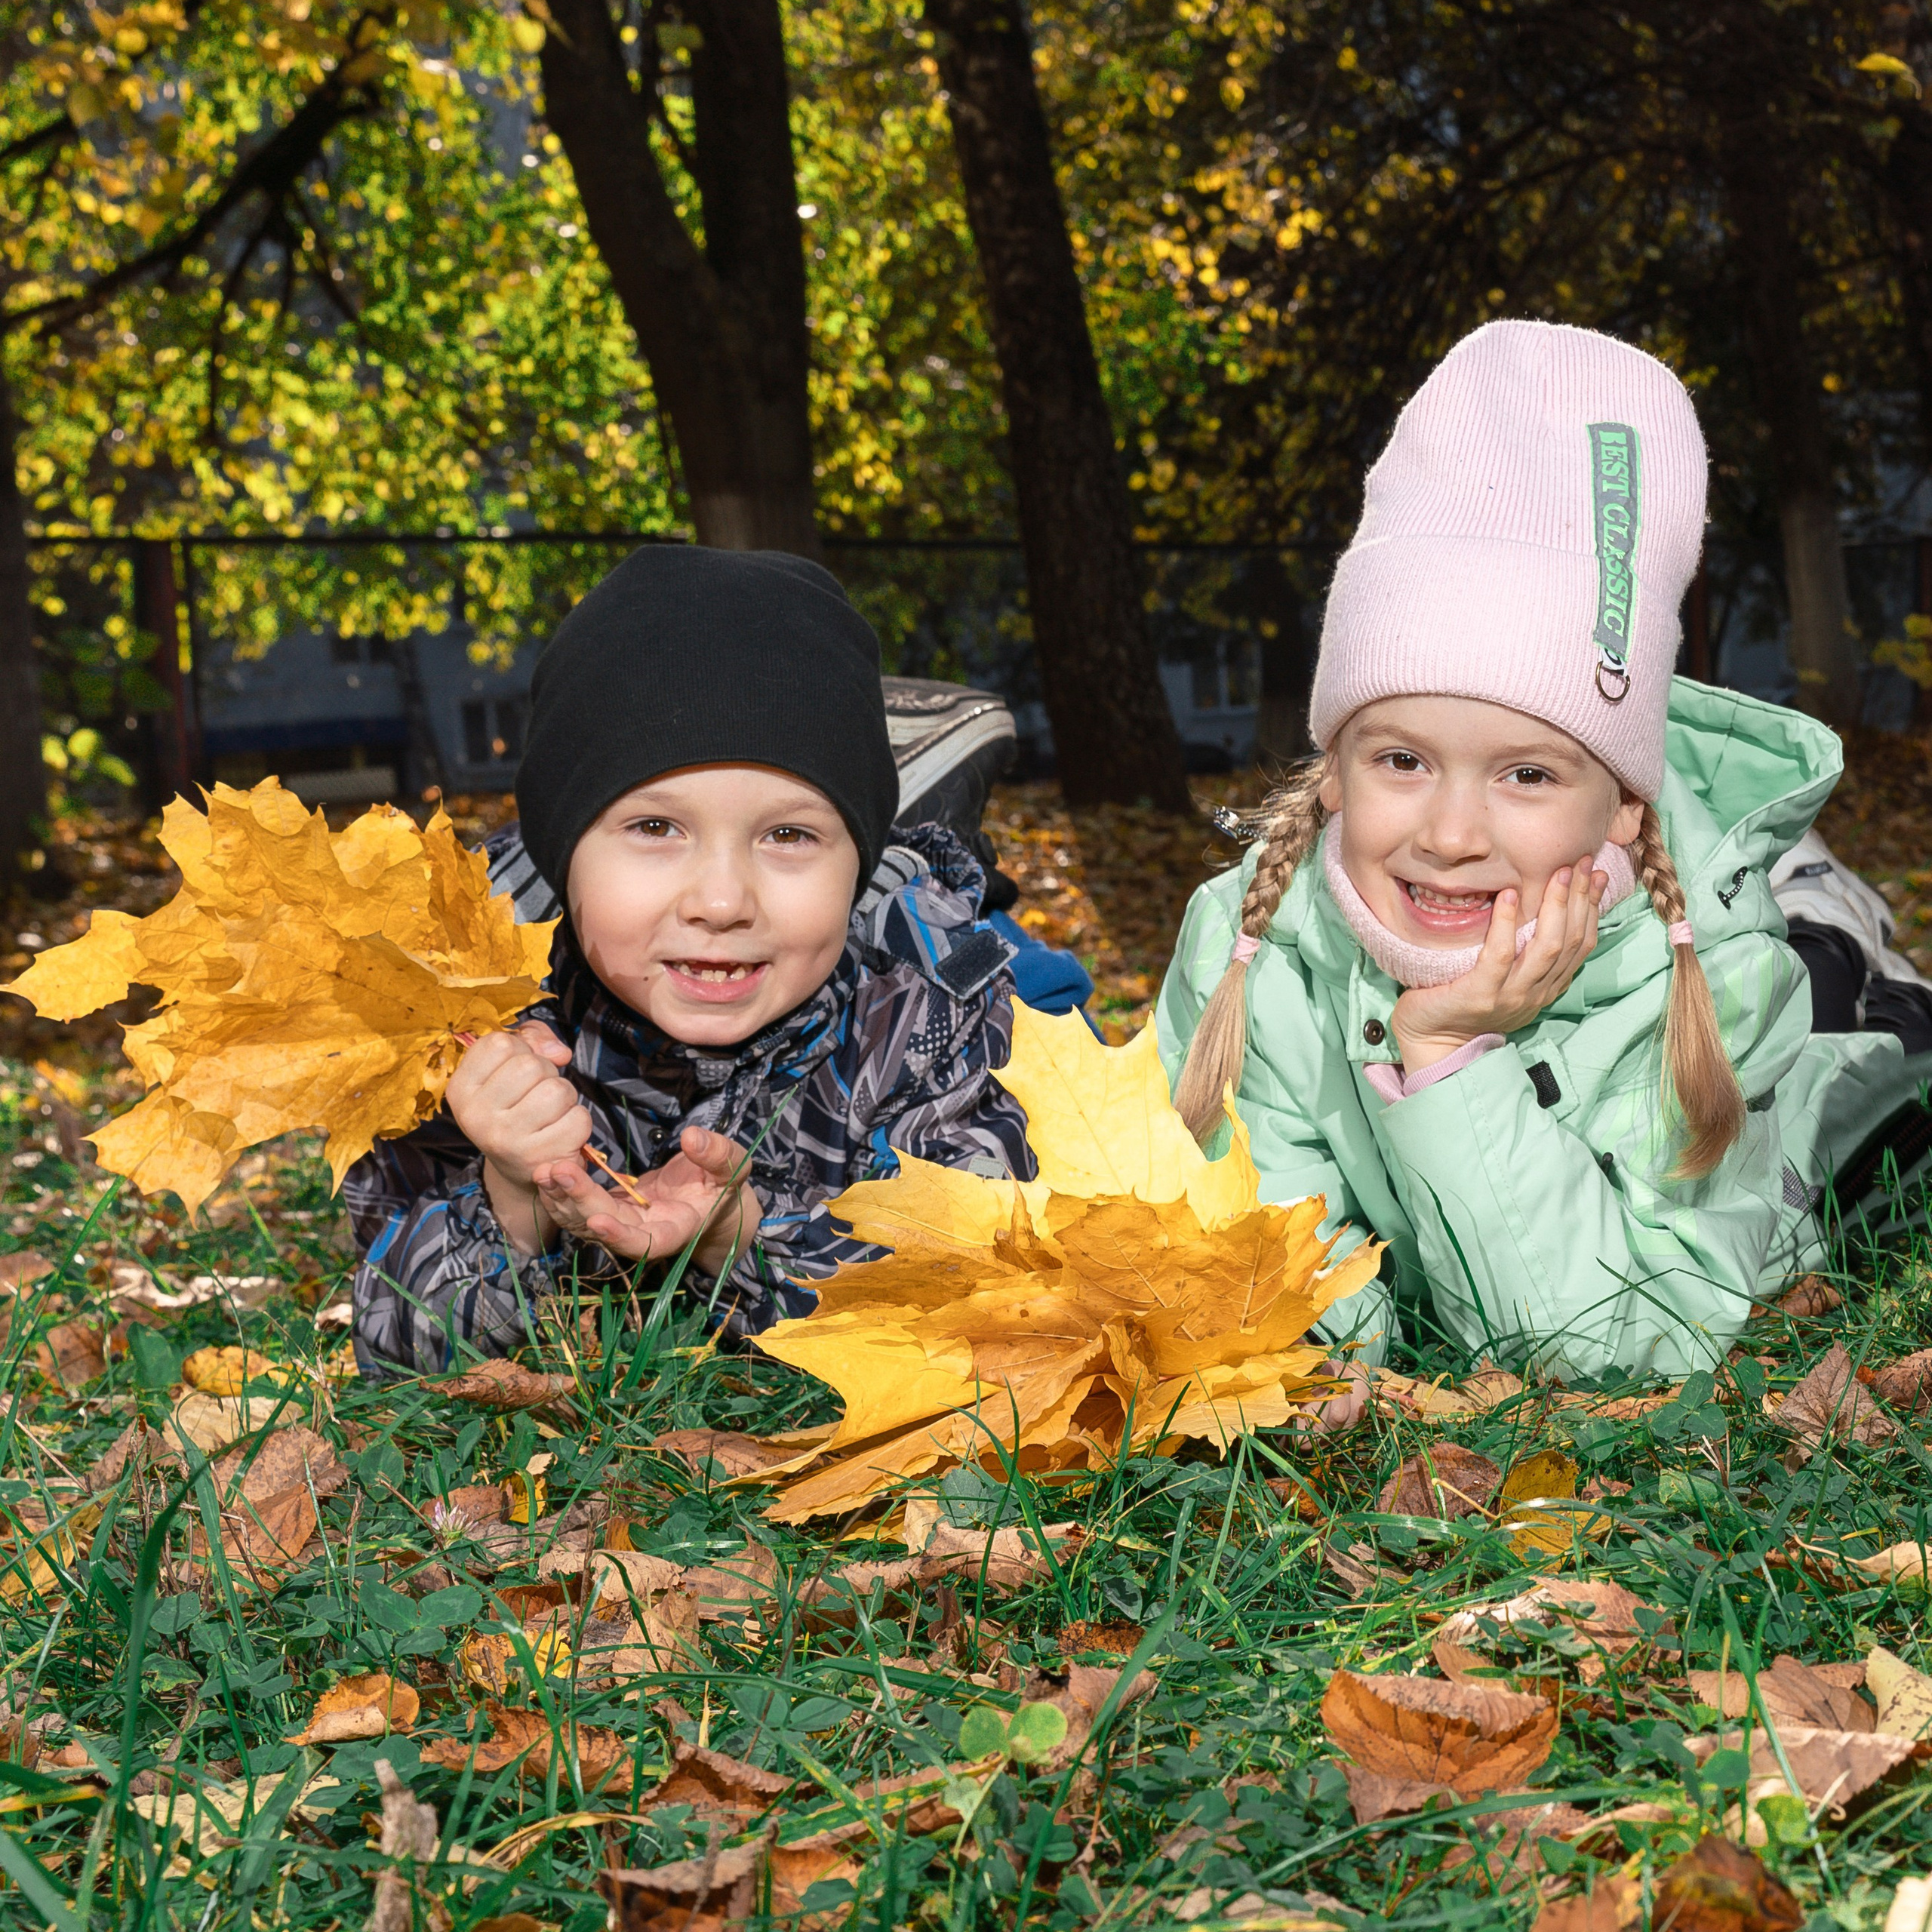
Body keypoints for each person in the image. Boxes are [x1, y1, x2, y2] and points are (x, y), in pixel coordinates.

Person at [1158, 318, 1932, 1383]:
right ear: (1331, 770)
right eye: (1401, 761)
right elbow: (1295, 1316)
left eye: (1527, 775)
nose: (1451, 836)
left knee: (1863, 1043)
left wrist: (1443, 1061)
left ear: (1621, 806)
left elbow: (1607, 1344)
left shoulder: (1717, 989)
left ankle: (1829, 907)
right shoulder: (1252, 952)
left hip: (1754, 1000)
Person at [348, 546, 1035, 1378]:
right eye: (655, 828)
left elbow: (981, 1295)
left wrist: (738, 1239)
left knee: (1025, 966)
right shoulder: (476, 1028)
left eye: (789, 834)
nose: (720, 900)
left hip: (903, 954)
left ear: (852, 864)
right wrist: (512, 1197)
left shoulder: (925, 1011)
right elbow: (390, 1338)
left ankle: (919, 804)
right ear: (564, 856)